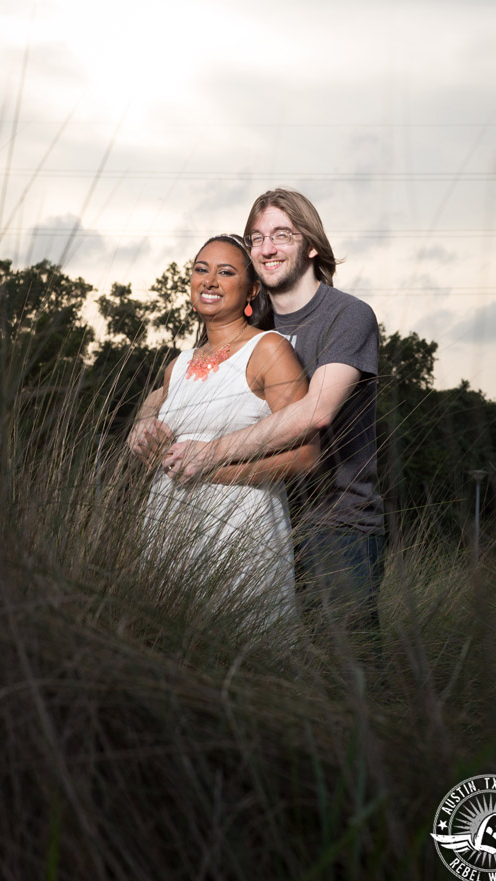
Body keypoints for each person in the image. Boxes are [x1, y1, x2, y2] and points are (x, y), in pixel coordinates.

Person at [162, 190, 385, 644]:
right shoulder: (252, 322)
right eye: (256, 237)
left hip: (335, 523)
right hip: (261, 516)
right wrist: (147, 420)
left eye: (282, 235)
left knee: (346, 667)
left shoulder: (348, 316)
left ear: (312, 245)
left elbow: (316, 412)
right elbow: (184, 380)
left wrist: (211, 456)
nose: (266, 248)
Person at [128, 233, 319, 628]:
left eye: (225, 272)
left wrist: (215, 472)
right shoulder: (179, 363)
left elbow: (307, 456)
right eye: (201, 269)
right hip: (166, 530)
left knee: (244, 660)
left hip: (241, 533)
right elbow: (156, 400)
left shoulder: (269, 350)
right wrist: (142, 428)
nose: (209, 280)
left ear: (251, 288)